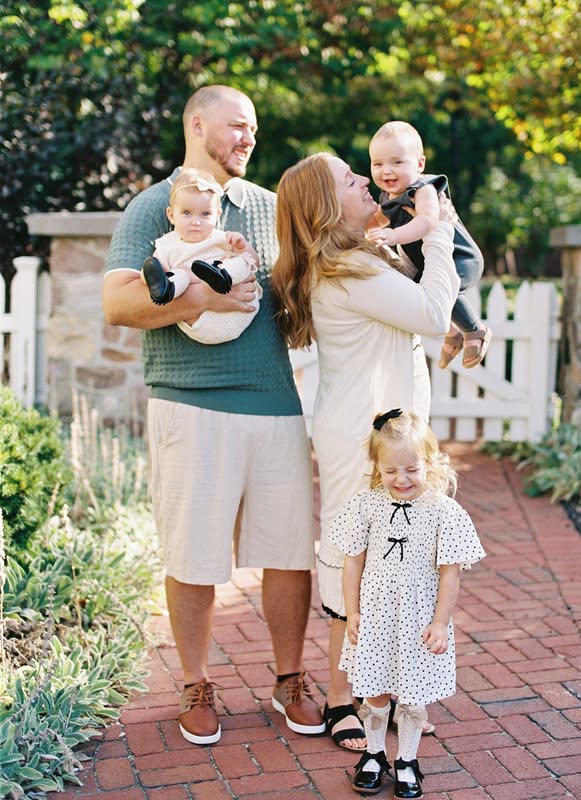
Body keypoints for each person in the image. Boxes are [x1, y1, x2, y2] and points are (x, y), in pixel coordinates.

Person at [102, 85, 324, 745]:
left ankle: (290, 678)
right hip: (189, 404)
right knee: (194, 554)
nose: (249, 138)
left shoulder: (268, 206)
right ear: (197, 123)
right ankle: (196, 682)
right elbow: (118, 304)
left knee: (290, 551)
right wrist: (198, 298)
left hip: (275, 405)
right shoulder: (155, 207)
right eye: (238, 126)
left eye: (254, 128)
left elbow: (301, 298)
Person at [272, 152, 460, 752]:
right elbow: (433, 314)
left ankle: (387, 689)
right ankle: (338, 696)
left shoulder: (360, 257)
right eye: (351, 181)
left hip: (386, 427)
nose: (364, 182)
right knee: (358, 557)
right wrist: (442, 232)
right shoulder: (347, 269)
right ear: (329, 208)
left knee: (396, 560)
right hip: (363, 436)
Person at [329, 409, 486, 798]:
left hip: (419, 619)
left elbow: (451, 573)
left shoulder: (444, 512)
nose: (401, 479)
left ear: (429, 463)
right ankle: (375, 754)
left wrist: (440, 622)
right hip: (376, 618)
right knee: (375, 691)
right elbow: (353, 563)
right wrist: (353, 612)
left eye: (411, 469)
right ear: (377, 467)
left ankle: (407, 759)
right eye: (391, 470)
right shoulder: (366, 505)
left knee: (413, 695)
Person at [367, 120, 492, 370]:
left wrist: (393, 237)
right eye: (378, 164)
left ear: (420, 164)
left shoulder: (423, 189)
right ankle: (452, 330)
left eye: (397, 162)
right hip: (430, 263)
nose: (387, 171)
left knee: (447, 289)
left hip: (460, 258)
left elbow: (427, 220)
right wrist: (356, 232)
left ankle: (475, 331)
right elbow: (375, 221)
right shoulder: (388, 197)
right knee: (420, 292)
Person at [140, 166, 263, 345]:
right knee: (178, 273)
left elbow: (254, 264)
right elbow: (154, 271)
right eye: (187, 213)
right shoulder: (167, 245)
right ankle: (167, 289)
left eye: (205, 214)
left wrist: (243, 247)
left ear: (217, 215)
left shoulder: (223, 239)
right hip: (198, 321)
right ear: (171, 215)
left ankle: (222, 276)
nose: (196, 222)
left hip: (237, 312)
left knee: (241, 261)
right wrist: (149, 276)